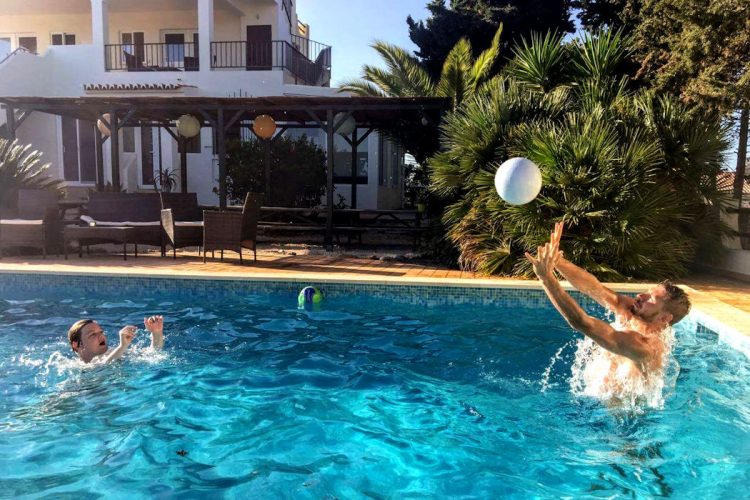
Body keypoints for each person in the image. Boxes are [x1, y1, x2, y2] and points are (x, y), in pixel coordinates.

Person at [526, 222, 691, 394]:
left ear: (664, 318)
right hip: (595, 398)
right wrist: (557, 262)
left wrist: (546, 278)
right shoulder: (633, 312)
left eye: (651, 298)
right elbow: (594, 288)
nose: (641, 296)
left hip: (622, 415)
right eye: (646, 292)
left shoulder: (645, 347)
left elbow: (583, 323)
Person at [67, 316, 164, 364]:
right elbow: (100, 368)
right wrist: (122, 347)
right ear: (76, 344)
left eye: (101, 332)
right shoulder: (70, 366)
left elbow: (153, 354)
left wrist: (156, 333)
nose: (101, 336)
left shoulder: (116, 353)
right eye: (92, 334)